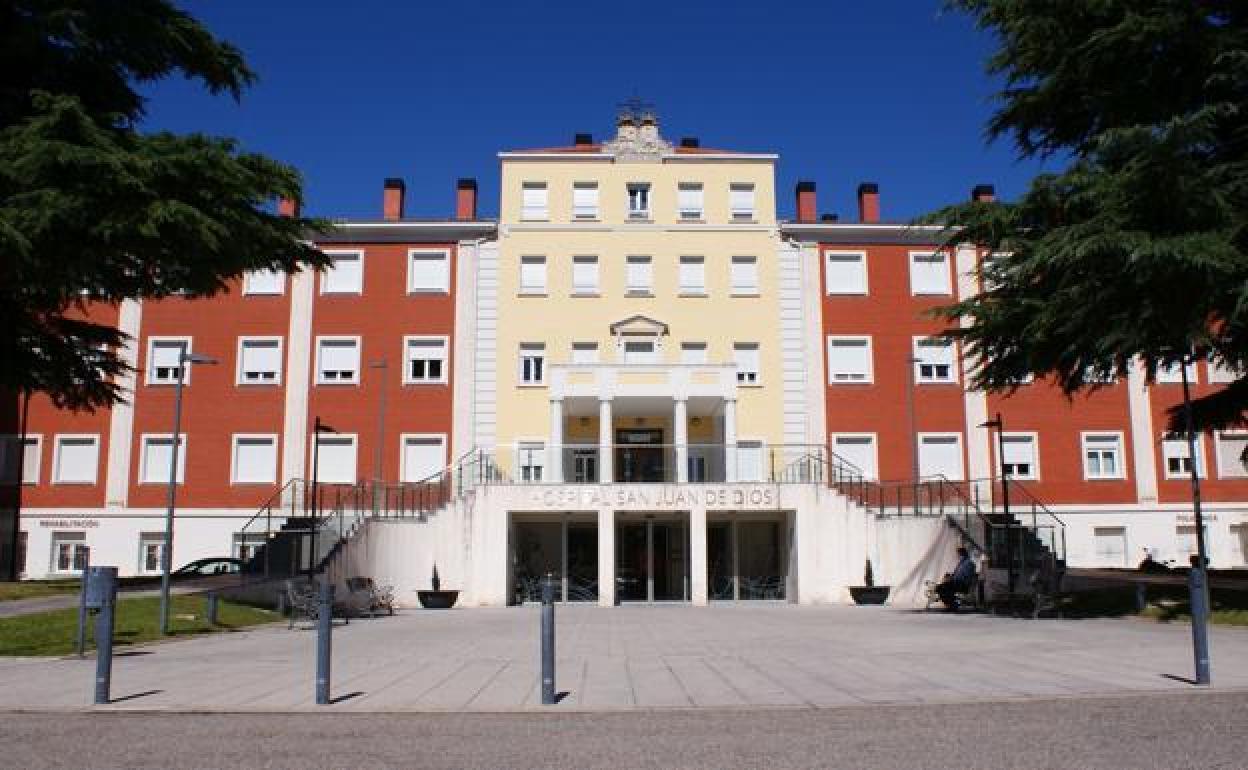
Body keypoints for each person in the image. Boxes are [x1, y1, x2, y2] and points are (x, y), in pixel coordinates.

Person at [936, 547, 977, 611]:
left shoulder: (969, 563)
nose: (957, 556)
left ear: (962, 554)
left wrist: (953, 578)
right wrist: (950, 576)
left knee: (940, 587)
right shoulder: (961, 563)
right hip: (958, 583)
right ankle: (952, 603)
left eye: (958, 554)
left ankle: (953, 604)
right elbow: (957, 574)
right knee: (940, 587)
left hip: (962, 585)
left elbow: (965, 576)